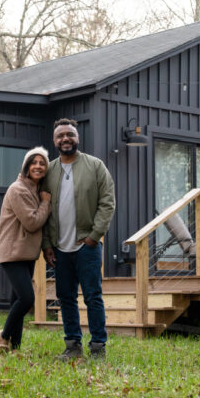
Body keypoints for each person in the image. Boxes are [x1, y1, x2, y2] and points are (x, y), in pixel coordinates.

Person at [42, 118, 115, 360]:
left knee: (93, 296)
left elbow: (107, 203)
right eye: (60, 135)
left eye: (69, 135)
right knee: (66, 298)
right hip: (59, 248)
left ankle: (98, 348)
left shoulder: (95, 166)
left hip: (87, 246)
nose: (65, 139)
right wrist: (46, 246)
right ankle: (72, 346)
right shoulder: (48, 171)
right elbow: (42, 209)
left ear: (77, 138)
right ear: (55, 141)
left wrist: (95, 236)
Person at [0, 147, 52, 352]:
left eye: (42, 163)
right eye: (34, 162)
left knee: (16, 300)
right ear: (26, 167)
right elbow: (32, 222)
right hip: (13, 252)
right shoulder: (18, 189)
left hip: (26, 253)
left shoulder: (34, 191)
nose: (38, 166)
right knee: (27, 298)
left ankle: (15, 348)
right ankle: (3, 337)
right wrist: (46, 203)